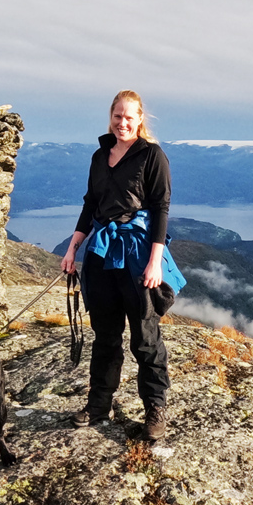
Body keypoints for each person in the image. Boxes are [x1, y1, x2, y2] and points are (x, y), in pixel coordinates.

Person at [60, 90, 187, 441]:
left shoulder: (152, 155)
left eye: (129, 117)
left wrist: (155, 262)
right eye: (118, 116)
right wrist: (72, 249)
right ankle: (99, 404)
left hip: (137, 254)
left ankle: (155, 409)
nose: (123, 123)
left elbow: (161, 208)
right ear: (111, 116)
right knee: (105, 335)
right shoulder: (100, 156)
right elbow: (90, 204)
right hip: (102, 254)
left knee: (145, 338)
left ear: (140, 118)